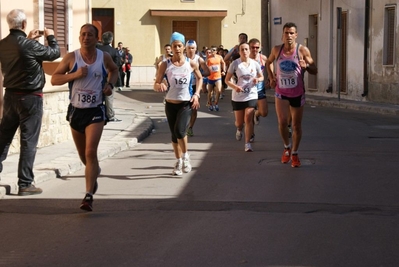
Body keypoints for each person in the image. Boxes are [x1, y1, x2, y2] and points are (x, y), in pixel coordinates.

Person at [51, 23, 118, 211]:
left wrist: (110, 86)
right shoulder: (72, 58)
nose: (86, 37)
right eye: (83, 34)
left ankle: (88, 195)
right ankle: (94, 172)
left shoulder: (103, 57)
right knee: (83, 155)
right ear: (79, 37)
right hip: (76, 111)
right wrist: (75, 75)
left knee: (90, 152)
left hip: (95, 110)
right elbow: (54, 79)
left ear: (97, 38)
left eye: (90, 34)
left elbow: (114, 70)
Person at [0, 9, 60, 196]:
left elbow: (21, 56)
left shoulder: (3, 44)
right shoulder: (28, 45)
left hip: (10, 95)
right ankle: (25, 183)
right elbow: (54, 53)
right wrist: (51, 37)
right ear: (24, 24)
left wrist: (30, 40)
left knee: (3, 137)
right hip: (31, 97)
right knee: (28, 141)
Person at [265, 22, 317, 167]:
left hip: (297, 93)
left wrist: (307, 66)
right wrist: (271, 77)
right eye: (286, 33)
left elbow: (315, 69)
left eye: (291, 33)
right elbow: (268, 62)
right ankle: (286, 147)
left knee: (296, 125)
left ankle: (295, 153)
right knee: (282, 122)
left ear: (296, 35)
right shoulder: (277, 50)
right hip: (281, 92)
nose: (288, 35)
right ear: (283, 35)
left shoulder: (302, 50)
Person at [153, 32, 202, 175]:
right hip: (170, 103)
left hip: (185, 103)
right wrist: (159, 85)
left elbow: (200, 78)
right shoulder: (165, 64)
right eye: (174, 46)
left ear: (184, 47)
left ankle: (186, 156)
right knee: (174, 135)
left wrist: (197, 94)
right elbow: (156, 83)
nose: (177, 49)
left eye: (180, 46)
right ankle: (178, 160)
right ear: (171, 48)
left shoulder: (191, 63)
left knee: (180, 131)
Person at [225, 42, 264, 152]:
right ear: (239, 51)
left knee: (248, 118)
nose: (245, 51)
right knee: (239, 122)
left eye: (247, 49)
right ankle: (238, 129)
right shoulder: (235, 64)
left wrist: (258, 79)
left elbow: (261, 76)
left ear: (249, 50)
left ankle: (247, 143)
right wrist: (235, 86)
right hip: (238, 96)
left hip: (251, 94)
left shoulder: (255, 63)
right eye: (242, 49)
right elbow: (227, 80)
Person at [185, 40, 210, 137]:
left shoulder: (199, 59)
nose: (190, 50)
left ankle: (190, 128)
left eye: (192, 48)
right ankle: (183, 126)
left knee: (194, 109)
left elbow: (208, 72)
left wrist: (198, 74)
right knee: (184, 108)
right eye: (189, 48)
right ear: (185, 49)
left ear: (196, 49)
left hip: (195, 86)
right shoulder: (183, 58)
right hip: (184, 86)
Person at [97, 31, 122, 122]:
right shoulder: (114, 51)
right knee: (109, 97)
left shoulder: (97, 49)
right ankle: (110, 116)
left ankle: (98, 114)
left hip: (96, 76)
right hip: (109, 77)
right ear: (111, 40)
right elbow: (117, 66)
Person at [248, 38, 269, 142]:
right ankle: (251, 134)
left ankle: (257, 114)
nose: (255, 49)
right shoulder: (245, 58)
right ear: (249, 47)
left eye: (257, 47)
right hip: (248, 91)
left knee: (264, 112)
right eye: (252, 47)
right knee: (249, 114)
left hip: (260, 89)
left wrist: (271, 77)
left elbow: (270, 64)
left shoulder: (263, 58)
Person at [206, 46, 226, 111]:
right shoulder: (209, 58)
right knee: (210, 92)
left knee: (219, 90)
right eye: (212, 50)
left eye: (214, 50)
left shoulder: (219, 57)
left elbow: (223, 63)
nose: (212, 51)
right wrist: (206, 72)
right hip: (210, 77)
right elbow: (205, 66)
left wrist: (224, 70)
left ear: (216, 51)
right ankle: (210, 104)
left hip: (218, 77)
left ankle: (216, 103)